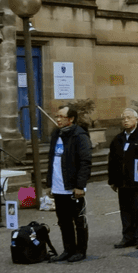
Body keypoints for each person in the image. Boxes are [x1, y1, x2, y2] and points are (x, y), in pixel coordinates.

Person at [45, 104, 93, 263]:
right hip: (59, 185)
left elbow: (85, 161)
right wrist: (50, 183)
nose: (57, 119)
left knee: (78, 220)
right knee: (63, 220)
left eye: (61, 117)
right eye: (57, 116)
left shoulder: (79, 135)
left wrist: (80, 185)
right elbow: (52, 160)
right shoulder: (56, 134)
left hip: (73, 187)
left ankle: (81, 250)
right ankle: (68, 249)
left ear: (71, 119)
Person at [107, 108, 138, 250]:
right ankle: (128, 237)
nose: (126, 121)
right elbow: (113, 161)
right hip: (123, 182)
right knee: (125, 210)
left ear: (136, 120)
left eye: (129, 118)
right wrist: (113, 180)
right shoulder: (118, 139)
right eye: (123, 118)